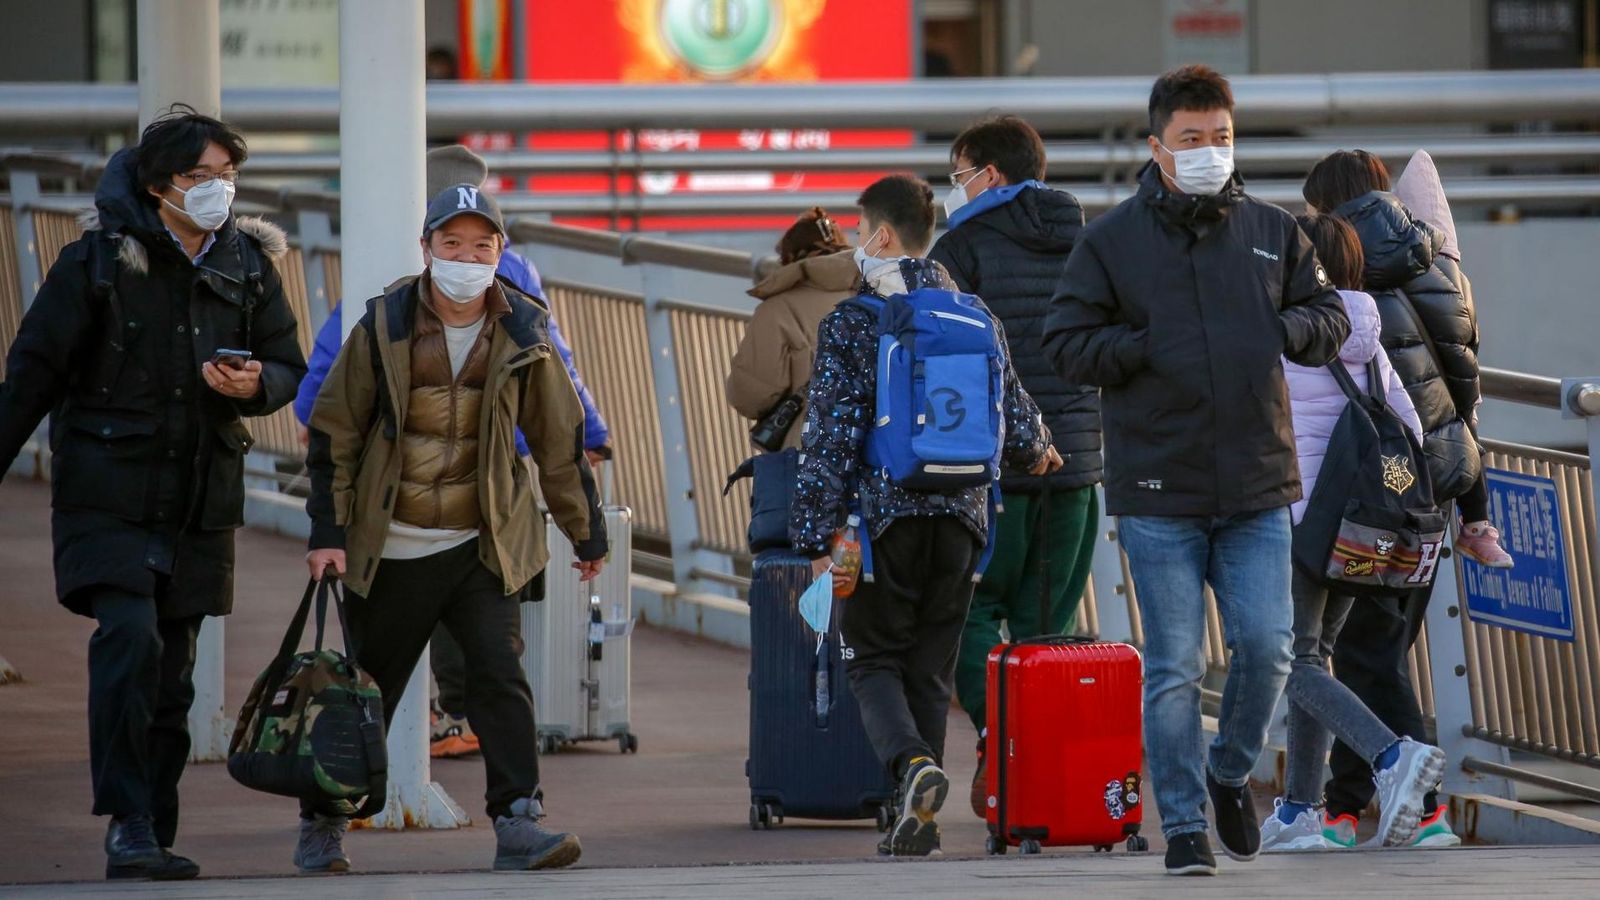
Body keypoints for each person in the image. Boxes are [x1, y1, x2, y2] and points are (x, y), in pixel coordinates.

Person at [1041, 65, 1349, 876]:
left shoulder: (1276, 230)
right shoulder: (1110, 241)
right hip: (1157, 488)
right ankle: (1182, 825)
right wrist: (1145, 347)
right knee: (1174, 666)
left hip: (1255, 480)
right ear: (1157, 147)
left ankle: (1225, 772)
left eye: (1221, 138)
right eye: (1192, 140)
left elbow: (1326, 316)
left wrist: (1284, 331)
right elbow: (1066, 342)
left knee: (1270, 647)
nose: (1210, 151)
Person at [0, 106, 307, 881]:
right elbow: (32, 371)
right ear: (155, 181)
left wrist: (255, 383)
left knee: (174, 673)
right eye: (197, 177)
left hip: (200, 496)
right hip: (106, 490)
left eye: (227, 177)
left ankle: (153, 829)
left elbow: (288, 368)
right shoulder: (97, 262)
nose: (216, 191)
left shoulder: (248, 265)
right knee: (128, 640)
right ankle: (127, 820)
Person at [299, 184, 606, 873]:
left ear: (501, 253)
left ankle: (520, 822)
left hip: (481, 543)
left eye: (482, 245)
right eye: (452, 244)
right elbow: (335, 431)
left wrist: (585, 534)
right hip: (392, 545)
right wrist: (329, 531)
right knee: (364, 691)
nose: (467, 258)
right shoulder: (385, 323)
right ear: (428, 249)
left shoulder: (524, 327)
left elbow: (559, 439)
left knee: (500, 679)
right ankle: (323, 821)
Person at [790, 174, 1058, 857]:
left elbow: (830, 436)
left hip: (882, 523)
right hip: (967, 520)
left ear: (881, 236)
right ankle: (917, 824)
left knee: (872, 658)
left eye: (859, 232)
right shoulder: (974, 313)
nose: (855, 244)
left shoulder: (853, 321)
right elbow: (1020, 425)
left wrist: (819, 534)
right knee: (931, 671)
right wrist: (1044, 452)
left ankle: (912, 769)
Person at [1302, 149, 1493, 848]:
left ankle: (1427, 805)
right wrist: (1476, 508)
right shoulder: (1443, 265)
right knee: (1375, 651)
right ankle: (1346, 809)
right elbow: (1466, 398)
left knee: (1365, 653)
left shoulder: (1334, 269)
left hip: (1367, 485)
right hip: (1435, 486)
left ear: (1327, 207)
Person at [925, 114, 1102, 818]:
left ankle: (1000, 738)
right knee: (1046, 627)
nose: (955, 187)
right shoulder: (1090, 242)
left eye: (958, 171)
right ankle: (1042, 777)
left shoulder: (960, 248)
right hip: (1079, 465)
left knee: (970, 610)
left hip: (991, 469)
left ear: (987, 173)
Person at [1258, 214, 1447, 852]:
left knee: (1290, 660)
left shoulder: (1285, 334)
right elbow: (1411, 433)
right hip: (1358, 531)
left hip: (1296, 520)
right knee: (1314, 656)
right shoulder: (1369, 335)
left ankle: (1392, 756)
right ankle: (1299, 813)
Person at [725, 207, 856, 451]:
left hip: (808, 452)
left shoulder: (778, 310)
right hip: (877, 449)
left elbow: (749, 397)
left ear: (788, 259)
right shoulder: (880, 292)